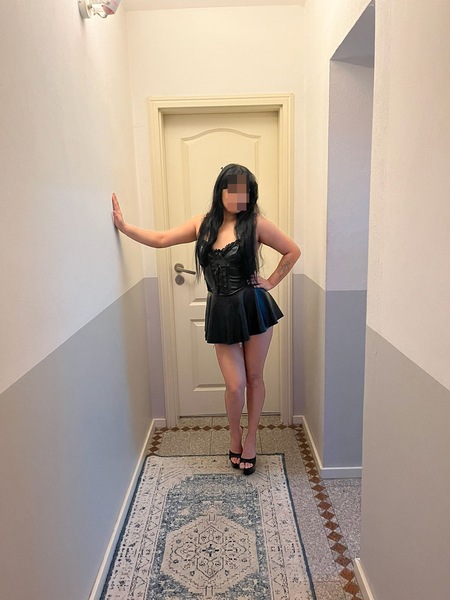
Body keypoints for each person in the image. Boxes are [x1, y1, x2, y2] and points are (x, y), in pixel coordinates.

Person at [112, 164, 301, 475]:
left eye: (245, 192)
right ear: (221, 191)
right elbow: (161, 239)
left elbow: (292, 251)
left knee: (254, 378)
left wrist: (270, 281)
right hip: (221, 310)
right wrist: (124, 226)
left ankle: (251, 438)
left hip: (253, 306)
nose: (239, 197)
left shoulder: (256, 224)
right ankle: (235, 434)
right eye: (233, 190)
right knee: (235, 385)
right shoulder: (202, 224)